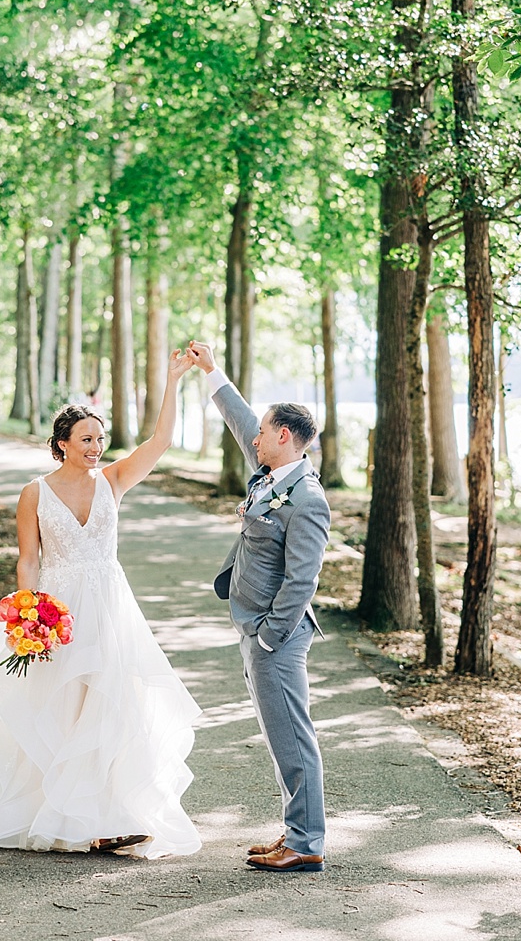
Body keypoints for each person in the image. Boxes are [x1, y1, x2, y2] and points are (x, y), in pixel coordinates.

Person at [0, 350, 201, 859]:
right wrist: (27, 615)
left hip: (109, 607)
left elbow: (160, 442)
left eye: (100, 438)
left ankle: (112, 817)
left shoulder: (114, 481)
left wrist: (172, 380)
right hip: (57, 612)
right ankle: (63, 816)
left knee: (112, 706)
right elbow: (28, 559)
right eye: (87, 440)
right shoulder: (34, 493)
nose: (97, 447)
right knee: (63, 709)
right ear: (61, 446)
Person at [188, 340, 330, 873]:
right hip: (255, 630)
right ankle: (296, 830)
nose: (256, 437)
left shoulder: (307, 499)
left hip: (277, 637)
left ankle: (307, 842)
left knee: (294, 737)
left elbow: (302, 580)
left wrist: (268, 637)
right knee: (280, 738)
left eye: (265, 432)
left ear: (285, 437)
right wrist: (211, 371)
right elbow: (240, 416)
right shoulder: (271, 472)